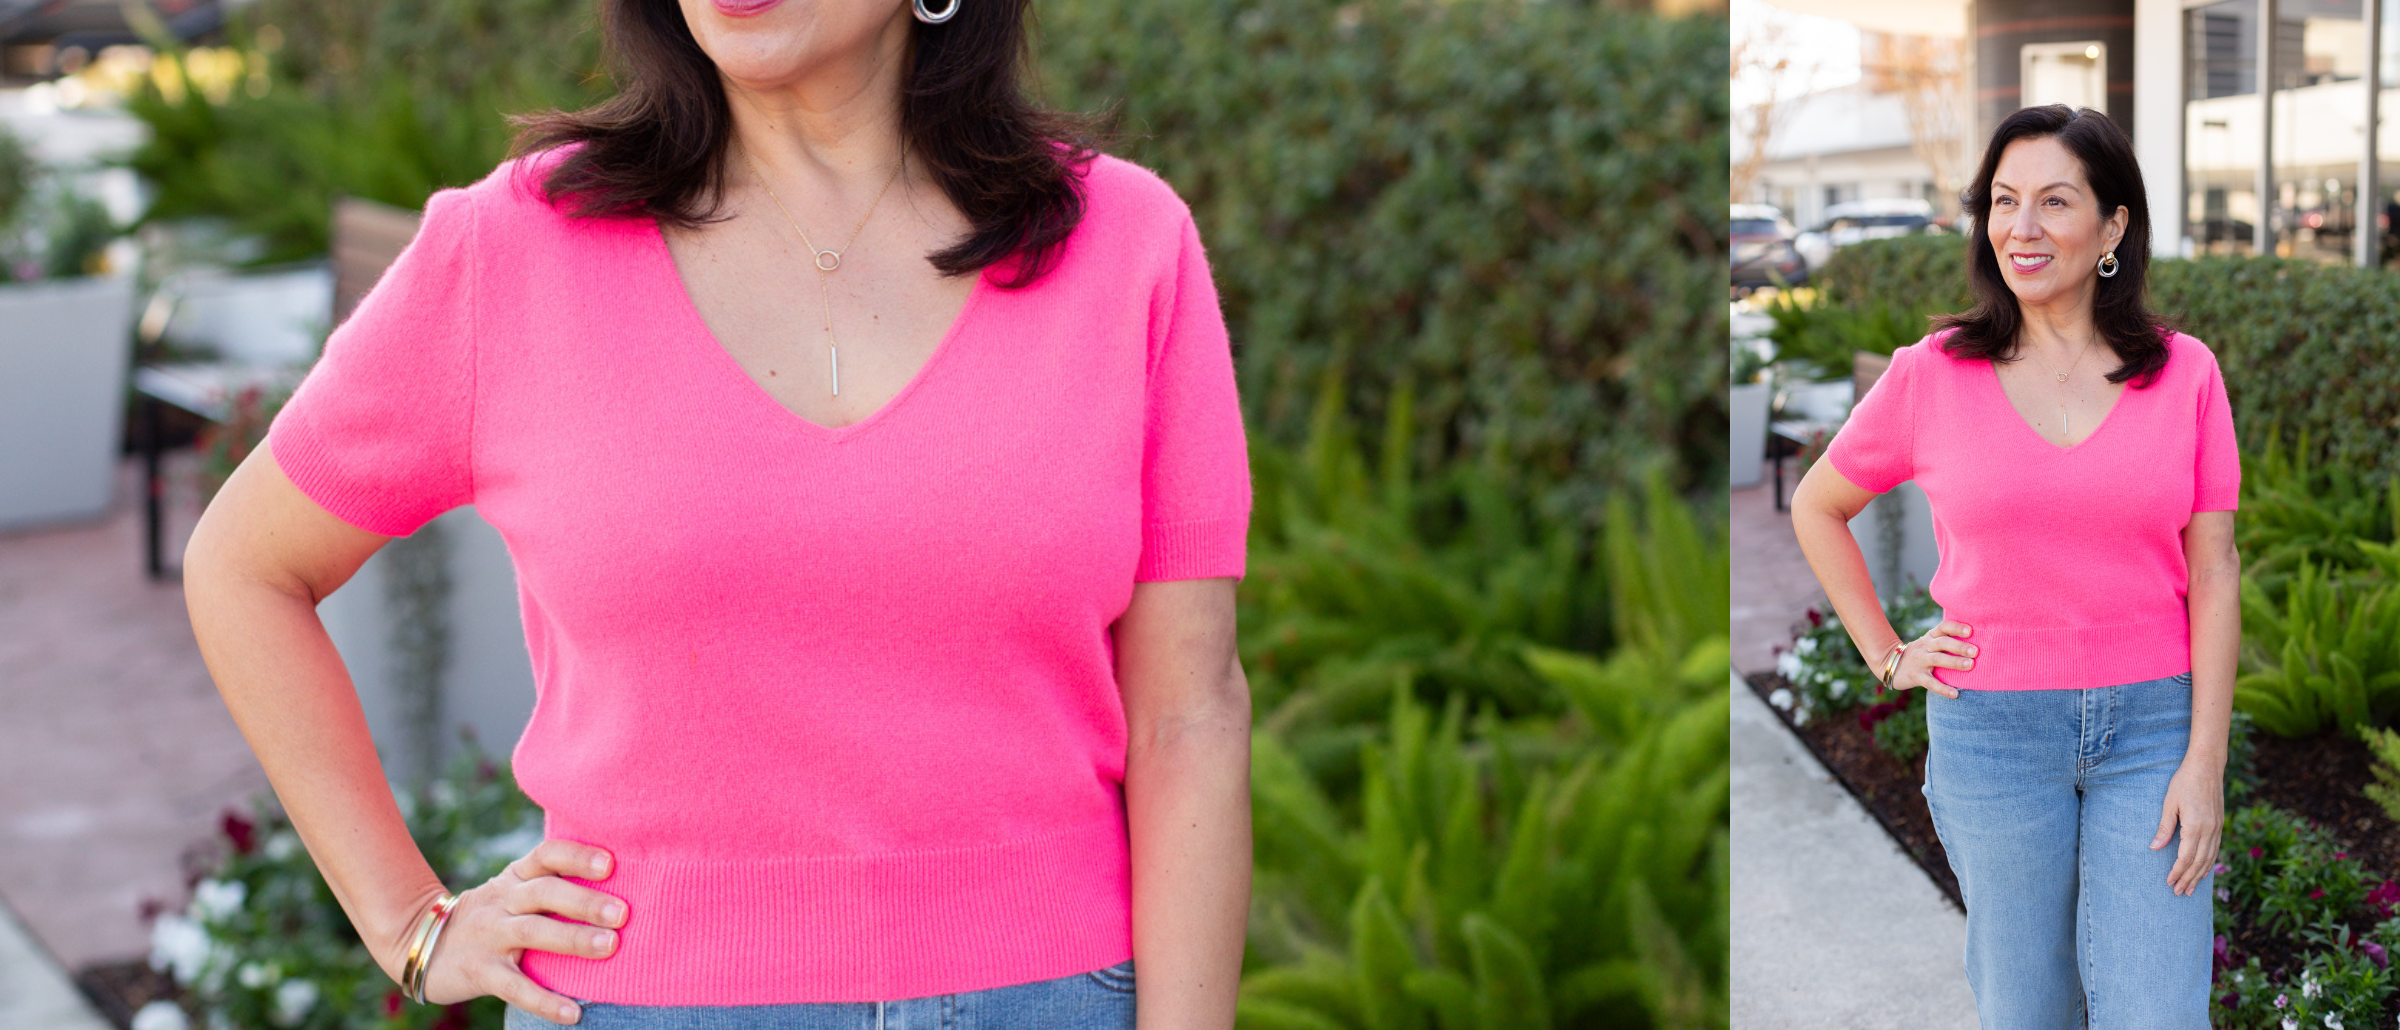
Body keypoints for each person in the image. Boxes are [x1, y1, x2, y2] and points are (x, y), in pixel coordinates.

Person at [179, 0, 1256, 1025]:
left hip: (1051, 1001)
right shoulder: (513, 250)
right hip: (636, 1002)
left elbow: (1188, 713)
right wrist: (408, 922)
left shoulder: (1124, 244)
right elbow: (244, 568)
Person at [1788, 104, 2240, 1029]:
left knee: (2157, 1011)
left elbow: (2218, 570)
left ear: (2114, 224)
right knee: (2025, 1009)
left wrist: (2206, 761)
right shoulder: (1932, 373)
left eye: (2054, 201)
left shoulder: (2186, 373)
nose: (2020, 229)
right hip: (1993, 737)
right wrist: (1886, 653)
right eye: (2002, 201)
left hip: (2153, 733)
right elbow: (1819, 504)